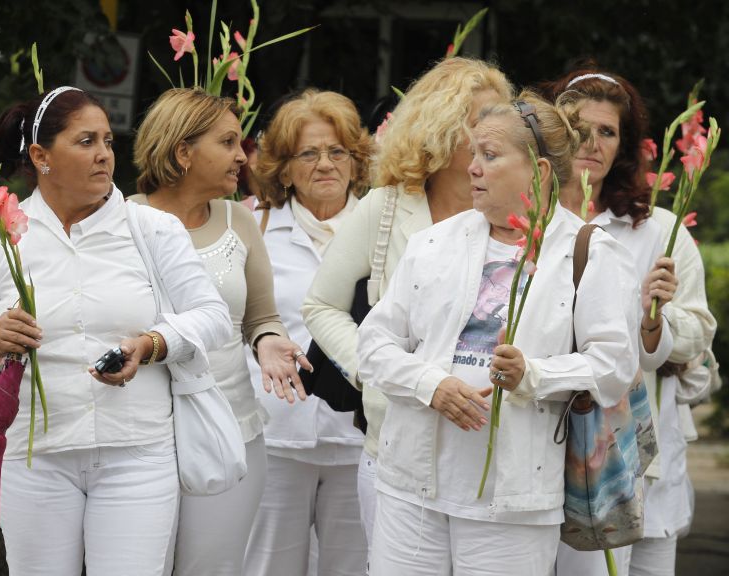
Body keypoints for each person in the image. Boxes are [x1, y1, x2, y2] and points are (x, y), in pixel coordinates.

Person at [0, 87, 232, 576]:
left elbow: (212, 316)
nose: (104, 155)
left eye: (109, 142)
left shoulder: (152, 229)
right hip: (36, 458)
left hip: (138, 452)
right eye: (86, 141)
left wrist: (150, 344)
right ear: (40, 156)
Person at [356, 91, 652, 576]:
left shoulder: (590, 252)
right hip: (412, 486)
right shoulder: (434, 243)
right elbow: (373, 344)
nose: (472, 167)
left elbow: (615, 365)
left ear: (537, 171)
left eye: (489, 156)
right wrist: (430, 386)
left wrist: (533, 374)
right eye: (474, 153)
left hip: (513, 501)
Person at [301, 57, 513, 553]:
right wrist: (370, 370)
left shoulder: (517, 213)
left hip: (494, 449)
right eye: (482, 119)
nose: (496, 131)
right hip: (396, 439)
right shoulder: (388, 206)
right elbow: (322, 305)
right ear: (443, 125)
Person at [542, 69, 714, 576]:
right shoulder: (529, 222)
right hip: (560, 459)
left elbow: (699, 330)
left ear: (624, 146)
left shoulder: (658, 229)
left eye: (608, 131)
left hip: (645, 454)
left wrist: (653, 322)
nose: (591, 143)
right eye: (578, 128)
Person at [131, 87, 309, 576]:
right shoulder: (123, 221)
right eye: (228, 142)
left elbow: (260, 317)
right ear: (182, 151)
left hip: (230, 429)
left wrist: (269, 343)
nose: (242, 155)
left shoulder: (239, 221)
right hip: (141, 437)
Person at [242, 88, 373, 576]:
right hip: (274, 433)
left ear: (356, 161)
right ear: (283, 165)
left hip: (358, 436)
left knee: (353, 567)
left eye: (337, 151)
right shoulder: (252, 223)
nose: (325, 164)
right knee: (267, 566)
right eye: (308, 153)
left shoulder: (383, 228)